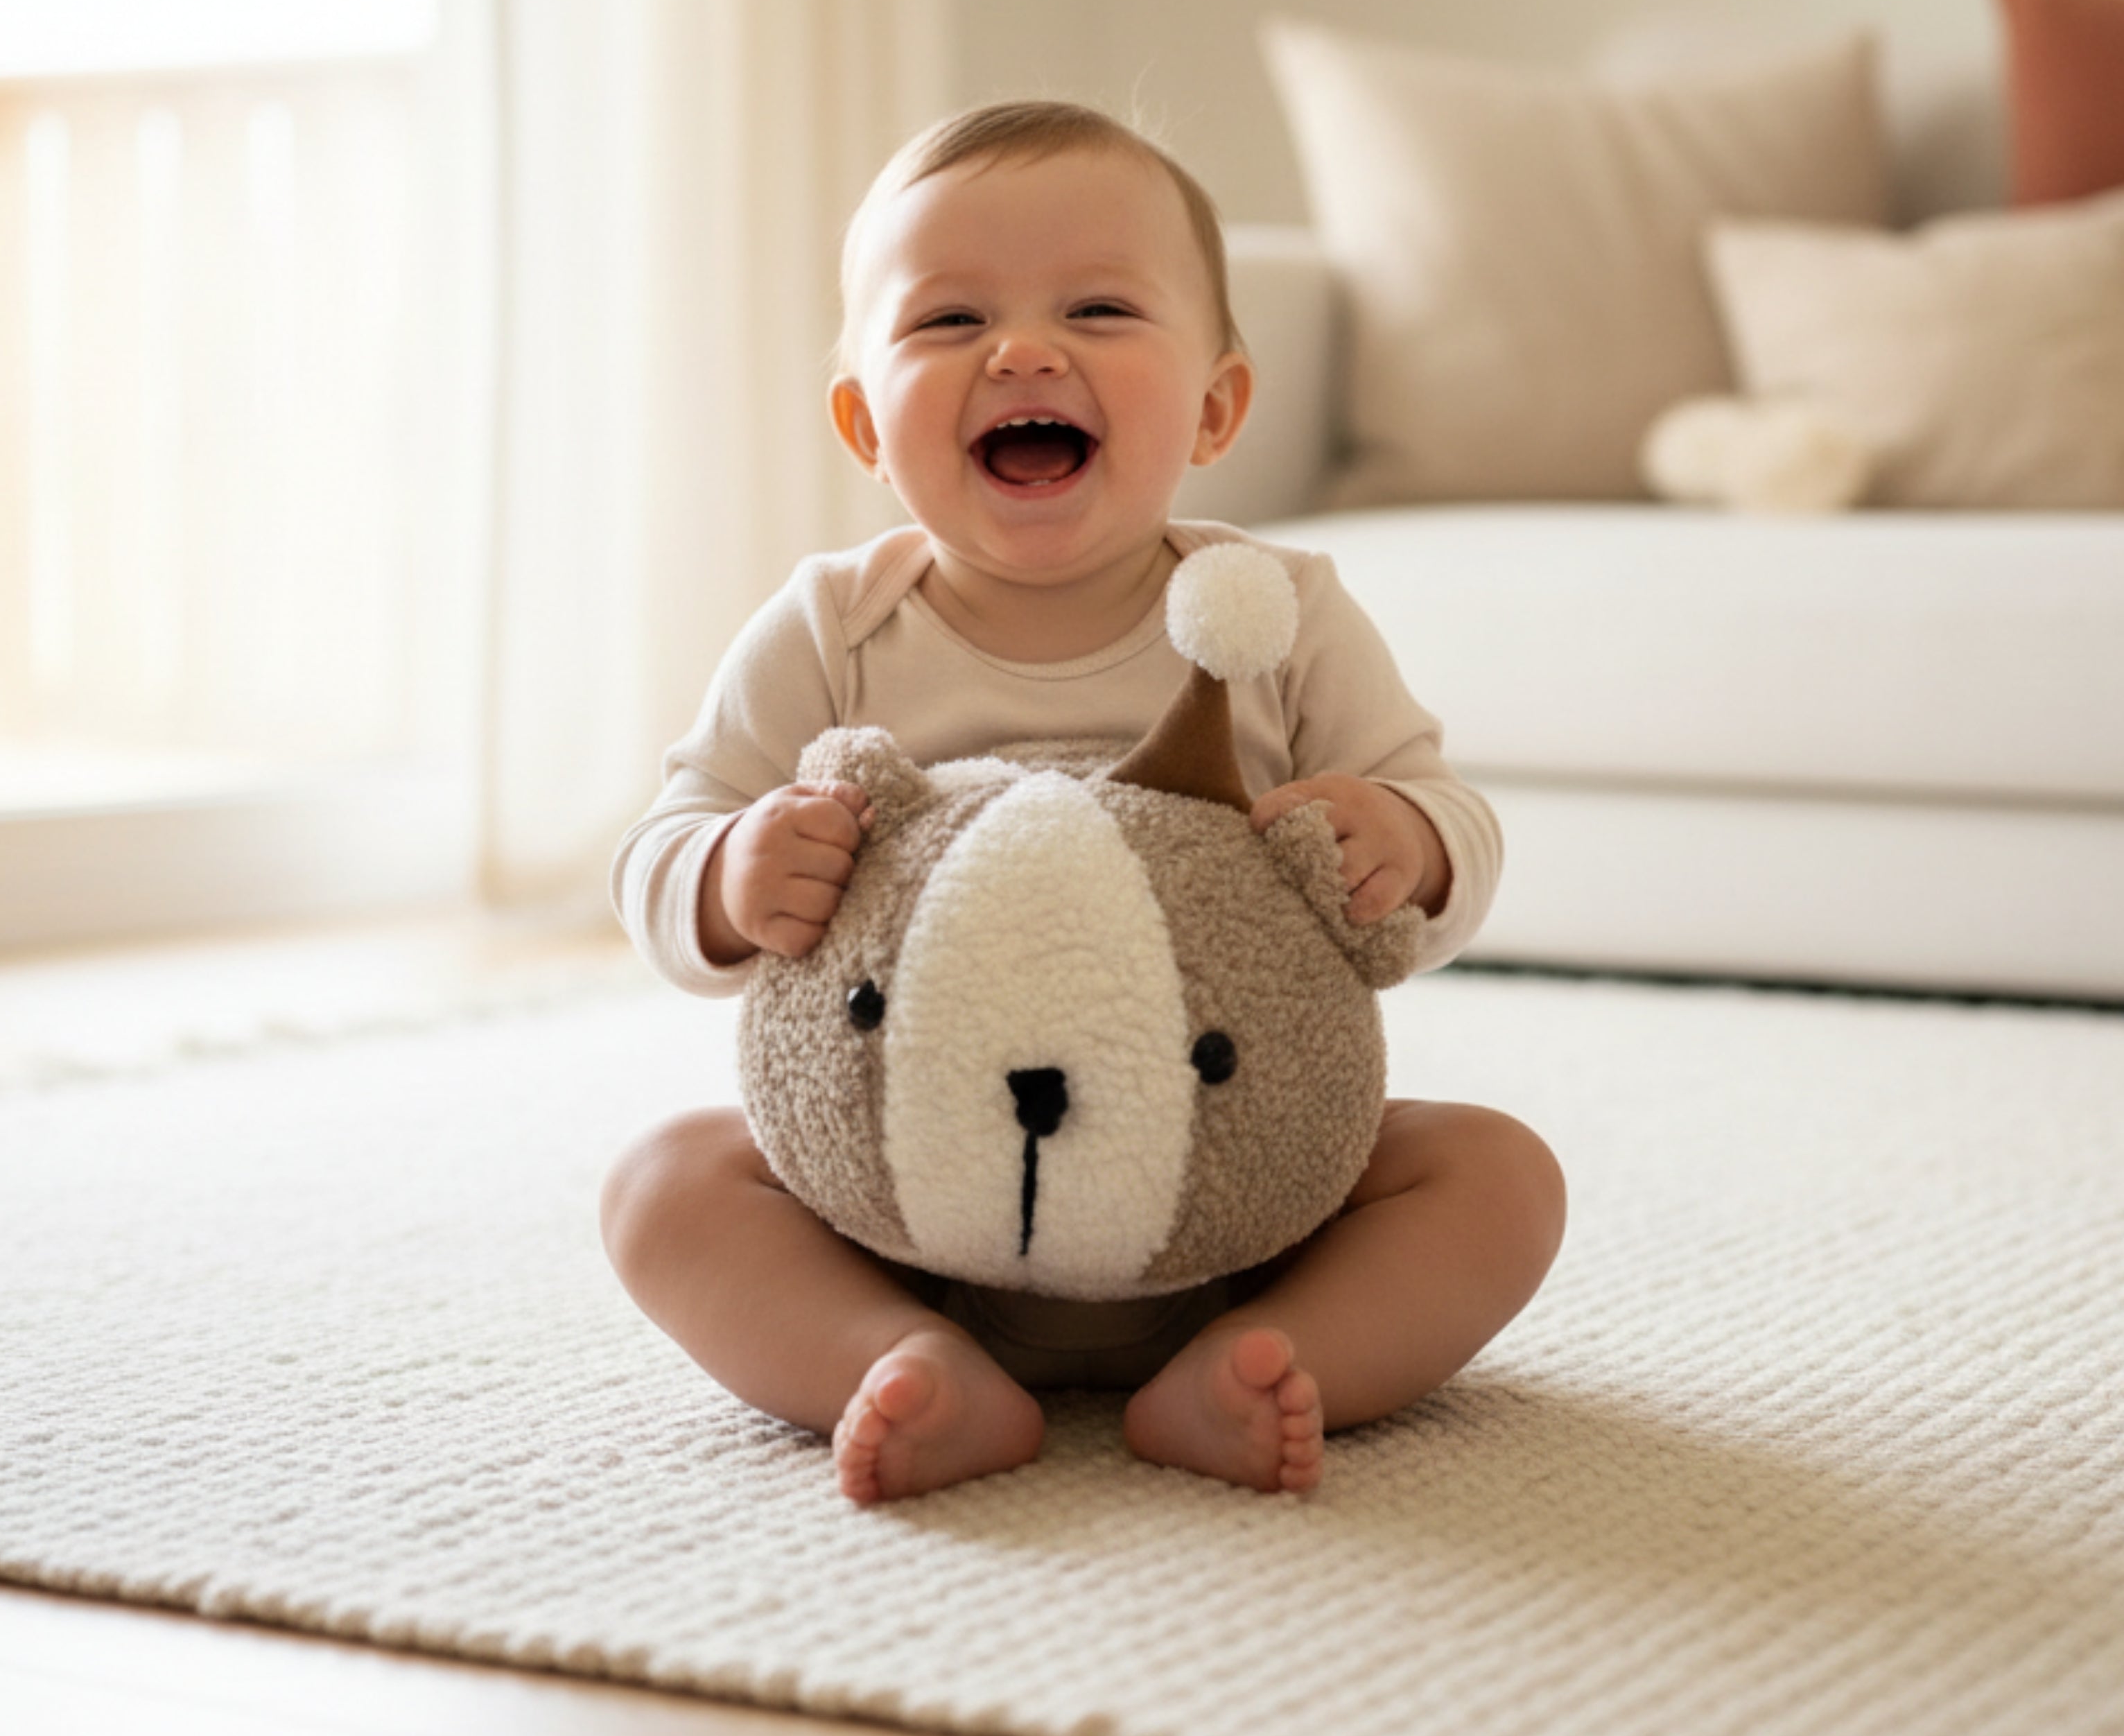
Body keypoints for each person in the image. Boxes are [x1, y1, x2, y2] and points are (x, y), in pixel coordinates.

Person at [600, 101, 1565, 1504]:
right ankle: (899, 1356)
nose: (1024, 350)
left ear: (1217, 405)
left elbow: (1446, 814)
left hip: (1240, 1212)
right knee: (662, 1185)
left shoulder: (1277, 612)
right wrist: (726, 871)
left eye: (1098, 307)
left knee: (1494, 1174)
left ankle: (1261, 1355)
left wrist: (1401, 842)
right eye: (946, 321)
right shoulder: (829, 628)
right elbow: (659, 846)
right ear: (865, 421)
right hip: (897, 1215)